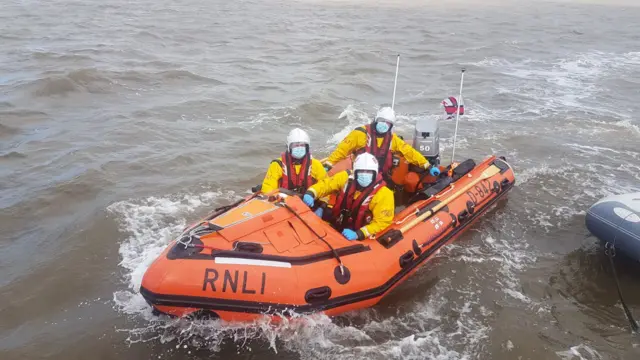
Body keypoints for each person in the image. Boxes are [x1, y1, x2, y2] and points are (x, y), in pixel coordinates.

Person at [322, 106, 440, 183]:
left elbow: (409, 152)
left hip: (380, 177)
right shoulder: (359, 134)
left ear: (391, 126)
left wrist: (427, 165)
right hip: (359, 174)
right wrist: (329, 163)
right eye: (381, 121)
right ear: (376, 120)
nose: (383, 125)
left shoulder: (393, 140)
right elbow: (342, 150)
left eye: (387, 123)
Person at [302, 153, 394, 241]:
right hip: (339, 220)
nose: (364, 174)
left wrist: (359, 234)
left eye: (369, 172)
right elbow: (327, 185)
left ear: (375, 173)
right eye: (361, 171)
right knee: (315, 208)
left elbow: (382, 222)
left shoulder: (384, 194)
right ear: (355, 172)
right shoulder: (346, 177)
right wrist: (311, 192)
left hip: (356, 230)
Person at [261, 129, 327, 217]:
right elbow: (268, 188)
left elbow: (326, 186)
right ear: (289, 147)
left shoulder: (316, 165)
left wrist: (322, 207)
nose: (299, 147)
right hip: (284, 205)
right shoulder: (277, 165)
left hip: (308, 205)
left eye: (302, 145)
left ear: (307, 147)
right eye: (296, 145)